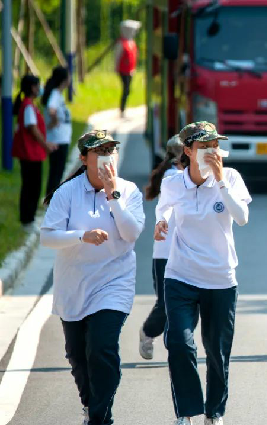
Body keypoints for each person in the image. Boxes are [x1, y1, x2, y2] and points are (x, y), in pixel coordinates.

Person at [40, 130, 145, 425]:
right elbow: (48, 237)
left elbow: (131, 233)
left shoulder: (129, 191)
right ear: (84, 159)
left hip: (114, 282)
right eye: (99, 152)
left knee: (101, 348)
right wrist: (81, 236)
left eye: (111, 151)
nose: (107, 157)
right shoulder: (67, 193)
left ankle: (100, 418)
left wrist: (113, 195)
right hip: (74, 284)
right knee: (77, 355)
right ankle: (91, 406)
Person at [154, 122, 251, 425]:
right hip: (180, 275)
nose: (212, 151)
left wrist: (220, 180)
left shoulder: (231, 177)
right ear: (188, 151)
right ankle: (186, 412)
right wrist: (161, 221)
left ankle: (214, 413)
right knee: (179, 343)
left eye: (215, 145)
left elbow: (242, 217)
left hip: (220, 278)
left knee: (217, 351)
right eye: (204, 146)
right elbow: (164, 206)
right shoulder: (173, 182)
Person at [139, 135, 185, 360]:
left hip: (187, 251)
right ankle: (148, 332)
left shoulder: (185, 175)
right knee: (166, 303)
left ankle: (177, 344)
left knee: (186, 303)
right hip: (166, 252)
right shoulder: (172, 177)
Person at [12, 74, 57, 230]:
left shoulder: (29, 105)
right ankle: (27, 219)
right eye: (38, 86)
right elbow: (33, 128)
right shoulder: (28, 107)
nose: (40, 89)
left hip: (32, 153)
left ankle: (29, 218)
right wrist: (45, 145)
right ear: (32, 88)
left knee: (32, 186)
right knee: (31, 186)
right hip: (29, 153)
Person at [42, 66, 72, 195]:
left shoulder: (57, 94)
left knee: (57, 171)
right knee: (56, 172)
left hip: (60, 138)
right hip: (58, 139)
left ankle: (51, 197)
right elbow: (51, 110)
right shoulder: (55, 94)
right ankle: (51, 198)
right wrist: (54, 122)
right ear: (64, 80)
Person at [114, 20, 140, 118]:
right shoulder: (122, 42)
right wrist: (116, 68)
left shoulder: (132, 42)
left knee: (128, 90)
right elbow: (117, 56)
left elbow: (134, 56)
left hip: (130, 70)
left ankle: (123, 108)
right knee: (126, 89)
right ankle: (122, 109)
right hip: (123, 70)